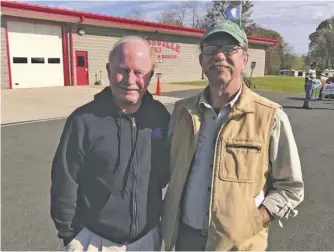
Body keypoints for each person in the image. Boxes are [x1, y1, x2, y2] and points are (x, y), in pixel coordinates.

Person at [161, 20, 304, 251]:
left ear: (244, 59)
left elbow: (291, 188)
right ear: (201, 61)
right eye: (210, 49)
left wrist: (256, 219)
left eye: (230, 48)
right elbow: (162, 169)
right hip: (184, 240)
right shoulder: (181, 112)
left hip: (238, 245)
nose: (219, 56)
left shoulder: (271, 117)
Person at [50, 36, 171, 251]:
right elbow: (64, 181)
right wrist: (70, 236)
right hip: (96, 241)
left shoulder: (160, 117)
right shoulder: (84, 120)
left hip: (147, 239)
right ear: (108, 70)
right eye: (122, 70)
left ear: (150, 76)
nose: (130, 80)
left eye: (139, 73)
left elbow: (168, 173)